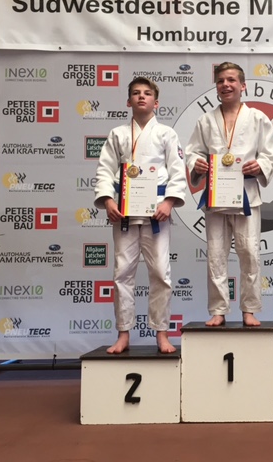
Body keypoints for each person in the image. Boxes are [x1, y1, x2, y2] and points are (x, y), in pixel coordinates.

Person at [94, 76, 187, 354]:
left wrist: (169, 202)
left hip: (156, 212)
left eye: (147, 93)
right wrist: (107, 199)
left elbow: (177, 171)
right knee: (122, 273)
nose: (141, 96)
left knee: (160, 273)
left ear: (156, 103)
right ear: (128, 101)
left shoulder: (166, 134)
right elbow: (105, 170)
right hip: (124, 212)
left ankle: (162, 333)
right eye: (136, 93)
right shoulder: (117, 134)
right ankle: (123, 333)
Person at [185, 62, 273, 327]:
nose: (225, 85)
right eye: (220, 81)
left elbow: (270, 152)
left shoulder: (258, 118)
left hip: (247, 195)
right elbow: (193, 152)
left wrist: (260, 165)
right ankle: (218, 309)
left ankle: (250, 309)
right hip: (216, 198)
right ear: (216, 87)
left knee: (250, 253)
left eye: (231, 80)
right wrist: (197, 164)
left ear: (242, 85)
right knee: (215, 255)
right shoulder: (205, 120)